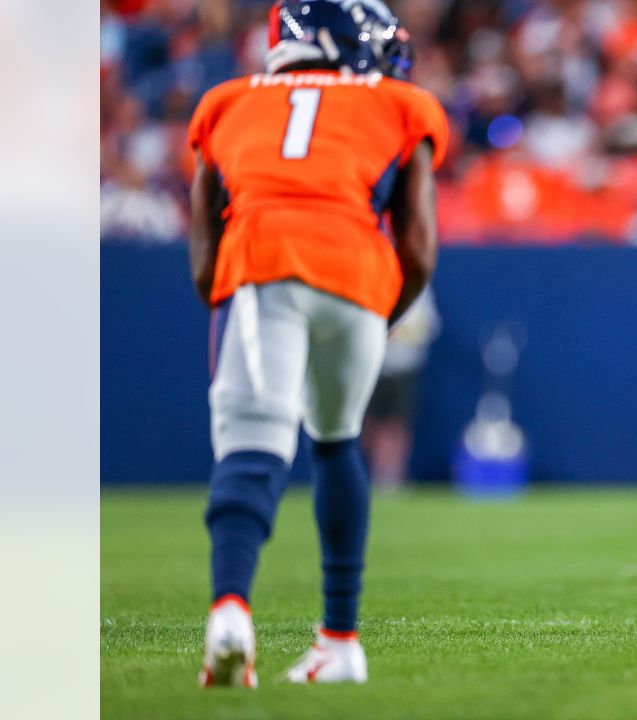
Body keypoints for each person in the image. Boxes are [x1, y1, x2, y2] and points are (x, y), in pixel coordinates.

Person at [187, 0, 447, 687]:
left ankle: (231, 609)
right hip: (360, 273)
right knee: (336, 437)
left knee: (253, 438)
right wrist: (377, 312)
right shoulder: (401, 102)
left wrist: (225, 297)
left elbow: (203, 235)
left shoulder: (227, 100)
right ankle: (339, 641)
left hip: (265, 258)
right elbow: (419, 245)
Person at [363, 288, 441, 489]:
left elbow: (428, 324)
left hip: (403, 366)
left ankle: (391, 476)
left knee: (397, 425)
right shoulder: (369, 275)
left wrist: (399, 330)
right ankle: (375, 470)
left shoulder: (416, 282)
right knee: (367, 425)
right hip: (370, 366)